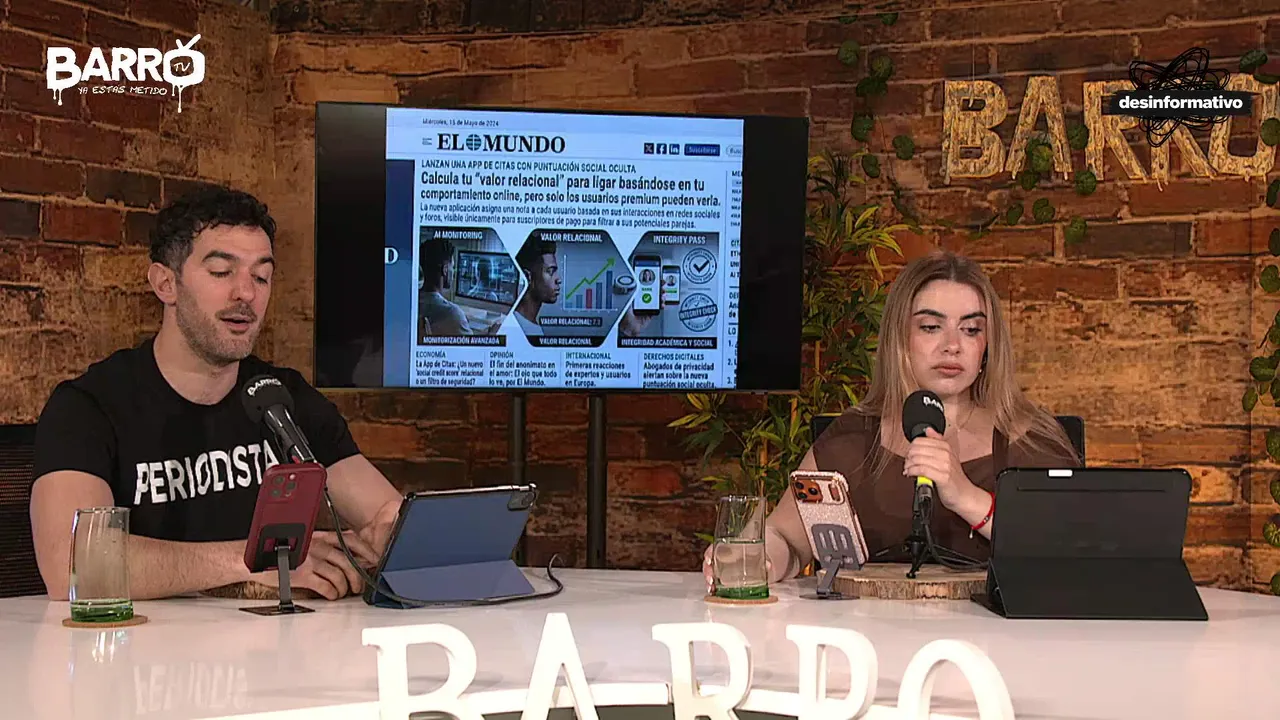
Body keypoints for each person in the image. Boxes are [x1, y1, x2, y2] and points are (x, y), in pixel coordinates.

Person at [30, 187, 404, 602]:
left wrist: (387, 538)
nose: (246, 293)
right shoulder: (88, 406)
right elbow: (74, 565)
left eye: (261, 276)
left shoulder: (283, 399)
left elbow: (388, 518)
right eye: (222, 272)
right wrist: (256, 560)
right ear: (166, 284)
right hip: (139, 641)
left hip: (272, 641)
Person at [703, 250, 1081, 591]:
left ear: (987, 345)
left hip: (998, 641)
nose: (952, 345)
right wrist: (757, 557)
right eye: (930, 327)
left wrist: (964, 495)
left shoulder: (1033, 441)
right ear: (900, 339)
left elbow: (1071, 552)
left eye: (971, 330)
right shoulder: (852, 440)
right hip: (870, 638)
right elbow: (786, 538)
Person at [418, 237, 501, 337]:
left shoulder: (413, 302)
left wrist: (460, 322)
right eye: (452, 267)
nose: (454, 272)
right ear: (445, 270)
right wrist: (491, 334)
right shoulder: (451, 313)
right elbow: (472, 347)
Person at [514, 235, 561, 336]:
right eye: (550, 271)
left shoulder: (533, 327)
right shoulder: (517, 328)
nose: (558, 279)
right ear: (528, 277)